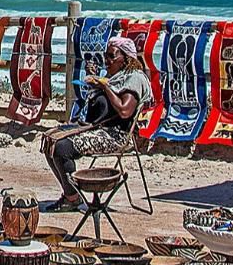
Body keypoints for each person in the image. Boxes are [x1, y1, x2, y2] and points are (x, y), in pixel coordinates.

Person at [39, 35, 153, 212]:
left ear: (126, 59)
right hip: (98, 128)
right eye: (106, 56)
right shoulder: (117, 77)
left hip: (115, 135)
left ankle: (72, 198)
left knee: (61, 147)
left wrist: (105, 86)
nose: (107, 61)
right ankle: (71, 193)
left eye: (111, 56)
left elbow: (124, 111)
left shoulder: (134, 79)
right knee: (50, 139)